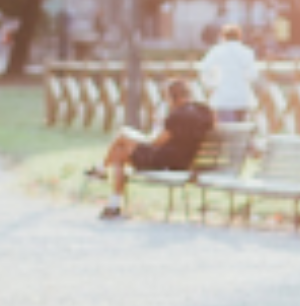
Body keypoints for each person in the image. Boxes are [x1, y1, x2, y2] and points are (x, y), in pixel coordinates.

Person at [88, 79, 215, 221]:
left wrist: (154, 128)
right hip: (183, 162)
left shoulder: (178, 116)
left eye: (167, 99)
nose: (168, 103)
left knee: (122, 137)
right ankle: (111, 198)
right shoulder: (204, 112)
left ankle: (102, 174)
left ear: (174, 98)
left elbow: (156, 142)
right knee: (120, 151)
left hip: (165, 162)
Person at [199, 23, 260, 123]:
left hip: (223, 96)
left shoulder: (217, 51)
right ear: (240, 36)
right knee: (241, 129)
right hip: (242, 97)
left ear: (223, 36)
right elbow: (253, 74)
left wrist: (211, 85)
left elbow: (204, 69)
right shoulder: (247, 52)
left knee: (227, 129)